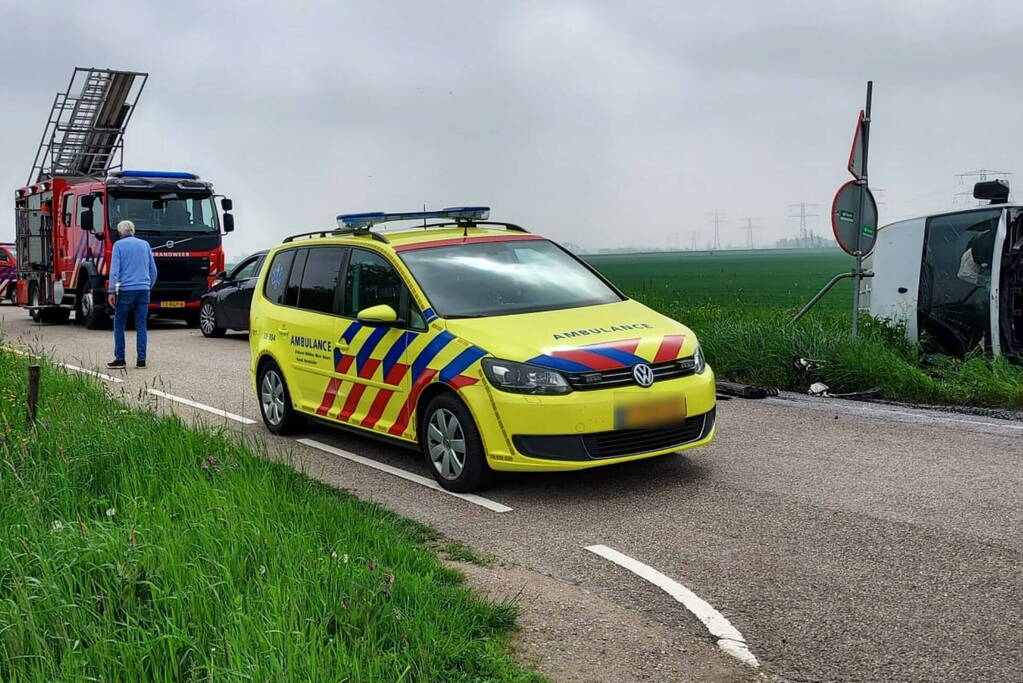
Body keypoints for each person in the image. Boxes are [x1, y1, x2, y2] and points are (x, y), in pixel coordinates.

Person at [107, 220, 158, 368]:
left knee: (119, 322)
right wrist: (148, 285)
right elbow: (153, 270)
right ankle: (141, 360)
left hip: (126, 290)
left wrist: (111, 291)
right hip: (144, 289)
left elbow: (115, 271)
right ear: (133, 231)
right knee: (141, 324)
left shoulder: (118, 246)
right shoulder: (145, 245)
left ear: (120, 232)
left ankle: (120, 359)